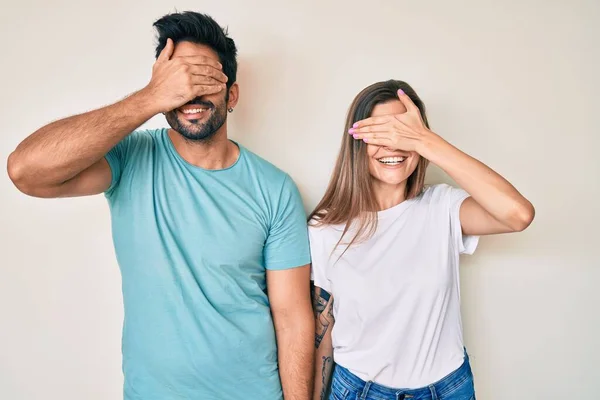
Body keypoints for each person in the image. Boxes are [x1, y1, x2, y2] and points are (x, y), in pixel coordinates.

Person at [7, 11, 314, 400]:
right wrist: (150, 98)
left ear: (231, 94)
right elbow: (25, 171)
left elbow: (291, 318)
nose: (191, 95)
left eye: (205, 80)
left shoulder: (275, 189)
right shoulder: (129, 158)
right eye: (180, 82)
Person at [309, 80, 534, 400]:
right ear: (357, 140)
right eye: (382, 133)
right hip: (359, 391)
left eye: (404, 132)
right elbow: (323, 328)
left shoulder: (443, 207)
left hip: (448, 389)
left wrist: (427, 141)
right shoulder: (325, 228)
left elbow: (518, 214)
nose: (394, 145)